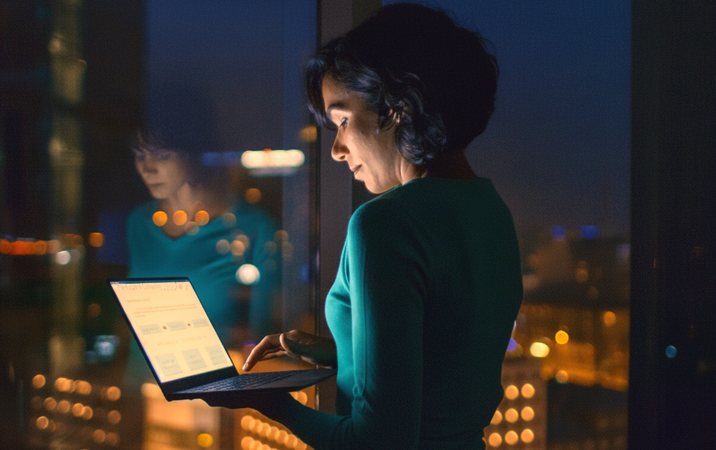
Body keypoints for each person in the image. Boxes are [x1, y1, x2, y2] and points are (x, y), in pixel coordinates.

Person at [207, 4, 523, 449]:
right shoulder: (491, 210)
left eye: (341, 120)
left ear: (397, 108)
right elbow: (444, 362)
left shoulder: (385, 223)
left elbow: (378, 442)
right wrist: (344, 352)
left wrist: (272, 402)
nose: (336, 149)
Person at [122, 126, 281, 392]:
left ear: (196, 155)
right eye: (139, 155)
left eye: (162, 155)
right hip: (142, 393)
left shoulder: (253, 229)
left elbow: (265, 338)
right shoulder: (138, 224)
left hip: (216, 397)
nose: (146, 169)